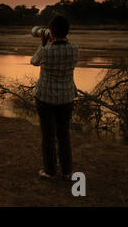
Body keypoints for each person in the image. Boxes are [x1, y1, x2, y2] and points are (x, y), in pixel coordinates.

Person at [30, 15, 78, 180]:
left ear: (50, 31)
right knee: (64, 135)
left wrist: (43, 43)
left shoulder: (46, 51)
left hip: (46, 98)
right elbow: (66, 46)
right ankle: (67, 171)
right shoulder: (75, 49)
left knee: (48, 135)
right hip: (66, 98)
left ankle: (50, 171)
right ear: (67, 31)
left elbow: (34, 61)